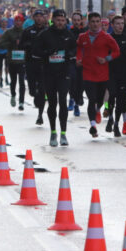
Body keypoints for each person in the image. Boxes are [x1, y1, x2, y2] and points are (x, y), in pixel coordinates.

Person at [34, 9, 77, 147]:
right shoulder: (45, 35)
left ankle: (63, 133)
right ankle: (53, 132)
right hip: (49, 73)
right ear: (53, 20)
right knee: (52, 103)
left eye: (62, 20)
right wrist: (47, 53)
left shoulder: (69, 35)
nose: (60, 23)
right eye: (58, 20)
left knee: (63, 102)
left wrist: (69, 54)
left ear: (65, 21)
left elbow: (74, 50)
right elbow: (36, 52)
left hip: (64, 72)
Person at [76, 12, 120, 138]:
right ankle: (93, 125)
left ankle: (97, 111)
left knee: (100, 100)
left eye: (97, 21)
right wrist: (78, 59)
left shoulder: (106, 37)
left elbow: (117, 51)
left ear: (100, 23)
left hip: (102, 74)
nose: (95, 24)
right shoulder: (82, 37)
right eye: (93, 22)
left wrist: (107, 58)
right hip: (88, 72)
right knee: (92, 99)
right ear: (88, 23)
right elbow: (79, 49)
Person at [108, 15, 126, 136]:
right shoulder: (108, 38)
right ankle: (110, 117)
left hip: (124, 73)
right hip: (110, 73)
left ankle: (116, 124)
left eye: (122, 24)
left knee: (121, 99)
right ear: (112, 25)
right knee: (112, 95)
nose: (120, 26)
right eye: (117, 24)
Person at [21, 9, 48, 125]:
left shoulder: (48, 32)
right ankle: (34, 93)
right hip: (31, 62)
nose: (38, 18)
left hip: (43, 63)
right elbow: (21, 44)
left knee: (42, 90)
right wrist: (30, 45)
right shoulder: (28, 31)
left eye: (40, 16)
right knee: (32, 90)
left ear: (43, 18)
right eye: (36, 16)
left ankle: (40, 115)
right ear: (33, 18)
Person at [0, 14, 27, 110]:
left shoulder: (25, 32)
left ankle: (22, 102)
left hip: (22, 61)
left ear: (22, 22)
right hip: (12, 61)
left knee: (22, 81)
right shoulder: (9, 32)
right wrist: (12, 43)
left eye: (20, 21)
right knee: (13, 81)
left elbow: (30, 44)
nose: (18, 22)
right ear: (14, 22)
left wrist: (23, 44)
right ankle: (13, 95)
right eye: (16, 21)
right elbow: (1, 44)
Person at [68, 11, 87, 117]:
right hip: (71, 60)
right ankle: (73, 101)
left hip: (83, 61)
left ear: (81, 21)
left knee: (82, 83)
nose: (76, 22)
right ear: (72, 20)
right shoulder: (68, 32)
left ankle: (77, 100)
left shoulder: (84, 32)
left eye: (78, 20)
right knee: (72, 80)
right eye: (74, 20)